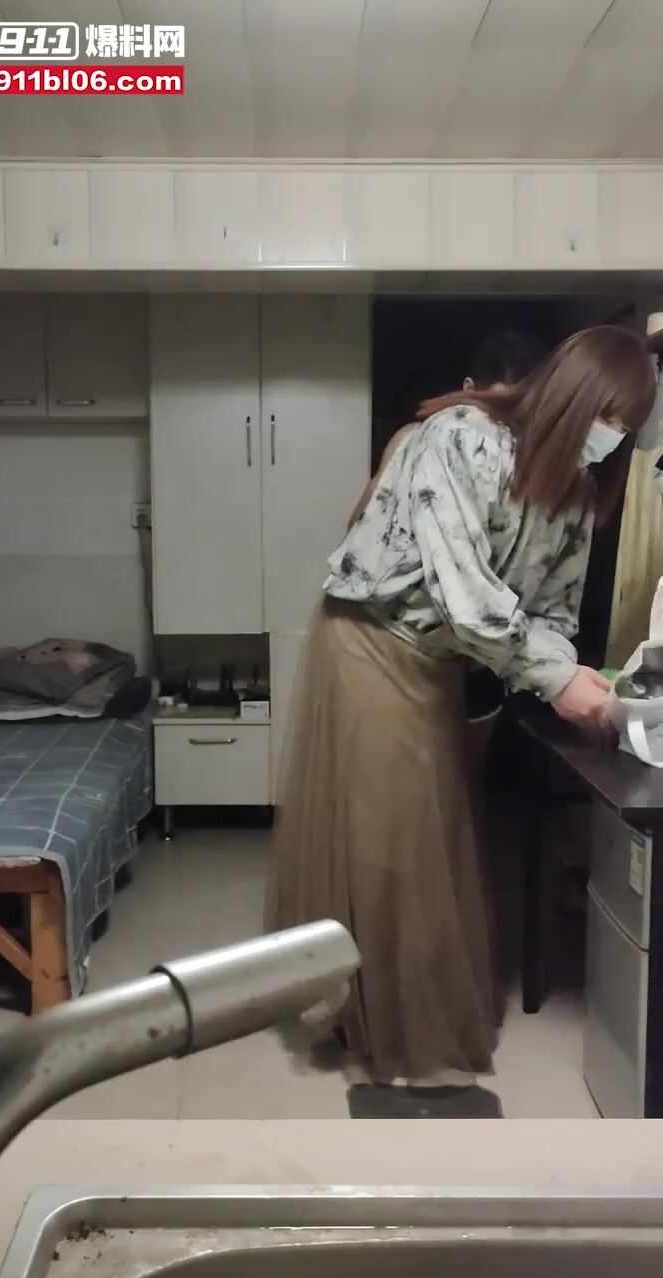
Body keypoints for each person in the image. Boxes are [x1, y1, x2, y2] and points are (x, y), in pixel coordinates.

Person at [267, 325, 655, 1090]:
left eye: (627, 428)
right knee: (388, 835)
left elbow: (553, 611)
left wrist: (573, 674)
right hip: (371, 641)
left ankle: (390, 1005)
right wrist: (557, 679)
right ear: (572, 396)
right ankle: (382, 1023)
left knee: (432, 829)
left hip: (444, 660)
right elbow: (464, 593)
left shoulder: (578, 491)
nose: (612, 438)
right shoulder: (459, 437)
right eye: (609, 418)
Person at [349, 330, 547, 772]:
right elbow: (359, 531)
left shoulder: (529, 459)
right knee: (412, 774)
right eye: (498, 407)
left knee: (464, 777)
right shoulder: (421, 438)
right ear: (469, 390)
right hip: (420, 647)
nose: (505, 425)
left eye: (520, 412)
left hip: (485, 652)